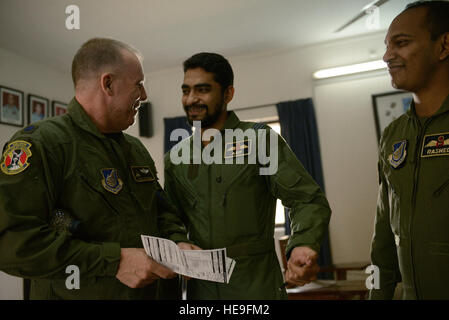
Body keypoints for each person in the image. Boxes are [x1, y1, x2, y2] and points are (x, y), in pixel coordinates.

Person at [0, 38, 177, 299]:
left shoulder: (134, 148)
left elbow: (160, 208)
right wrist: (114, 261)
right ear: (107, 84)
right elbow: (11, 243)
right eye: (138, 84)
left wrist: (178, 240)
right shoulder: (42, 145)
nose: (144, 95)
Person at [161, 52, 331, 299]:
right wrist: (177, 240)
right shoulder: (175, 158)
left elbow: (307, 199)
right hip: (202, 290)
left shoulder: (259, 140)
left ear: (228, 94)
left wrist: (302, 244)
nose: (191, 99)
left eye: (202, 90)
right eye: (186, 91)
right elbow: (169, 216)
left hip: (255, 286)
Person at [370, 0, 449, 299]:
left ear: (443, 46)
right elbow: (382, 242)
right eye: (387, 46)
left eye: (400, 43)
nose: (387, 56)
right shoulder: (393, 135)